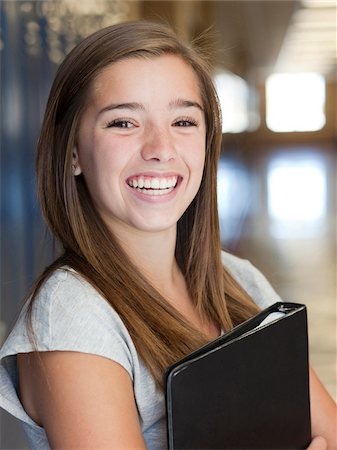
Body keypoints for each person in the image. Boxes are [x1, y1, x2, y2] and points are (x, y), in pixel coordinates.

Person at [0, 20, 335, 450]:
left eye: (183, 121)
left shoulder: (236, 278)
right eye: (123, 123)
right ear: (73, 153)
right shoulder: (72, 317)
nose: (161, 147)